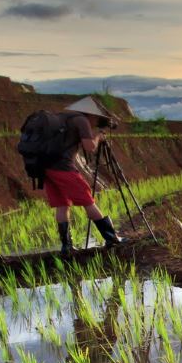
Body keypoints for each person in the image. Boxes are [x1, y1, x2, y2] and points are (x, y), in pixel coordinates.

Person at [45, 96, 127, 256]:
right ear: (92, 115)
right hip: (62, 167)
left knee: (62, 205)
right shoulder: (81, 120)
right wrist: (98, 137)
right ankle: (111, 238)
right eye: (98, 119)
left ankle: (66, 247)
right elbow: (89, 147)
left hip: (46, 167)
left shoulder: (62, 118)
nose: (97, 122)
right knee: (87, 200)